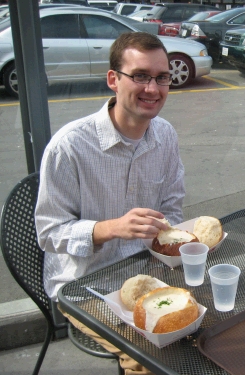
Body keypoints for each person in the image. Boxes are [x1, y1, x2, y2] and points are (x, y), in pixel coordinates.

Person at [35, 32, 184, 375]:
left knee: (204, 327)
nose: (153, 88)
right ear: (113, 80)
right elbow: (48, 233)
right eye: (140, 76)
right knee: (149, 357)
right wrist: (112, 228)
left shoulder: (166, 136)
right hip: (85, 286)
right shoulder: (69, 147)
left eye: (161, 77)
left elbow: (173, 211)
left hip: (148, 274)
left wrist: (171, 238)